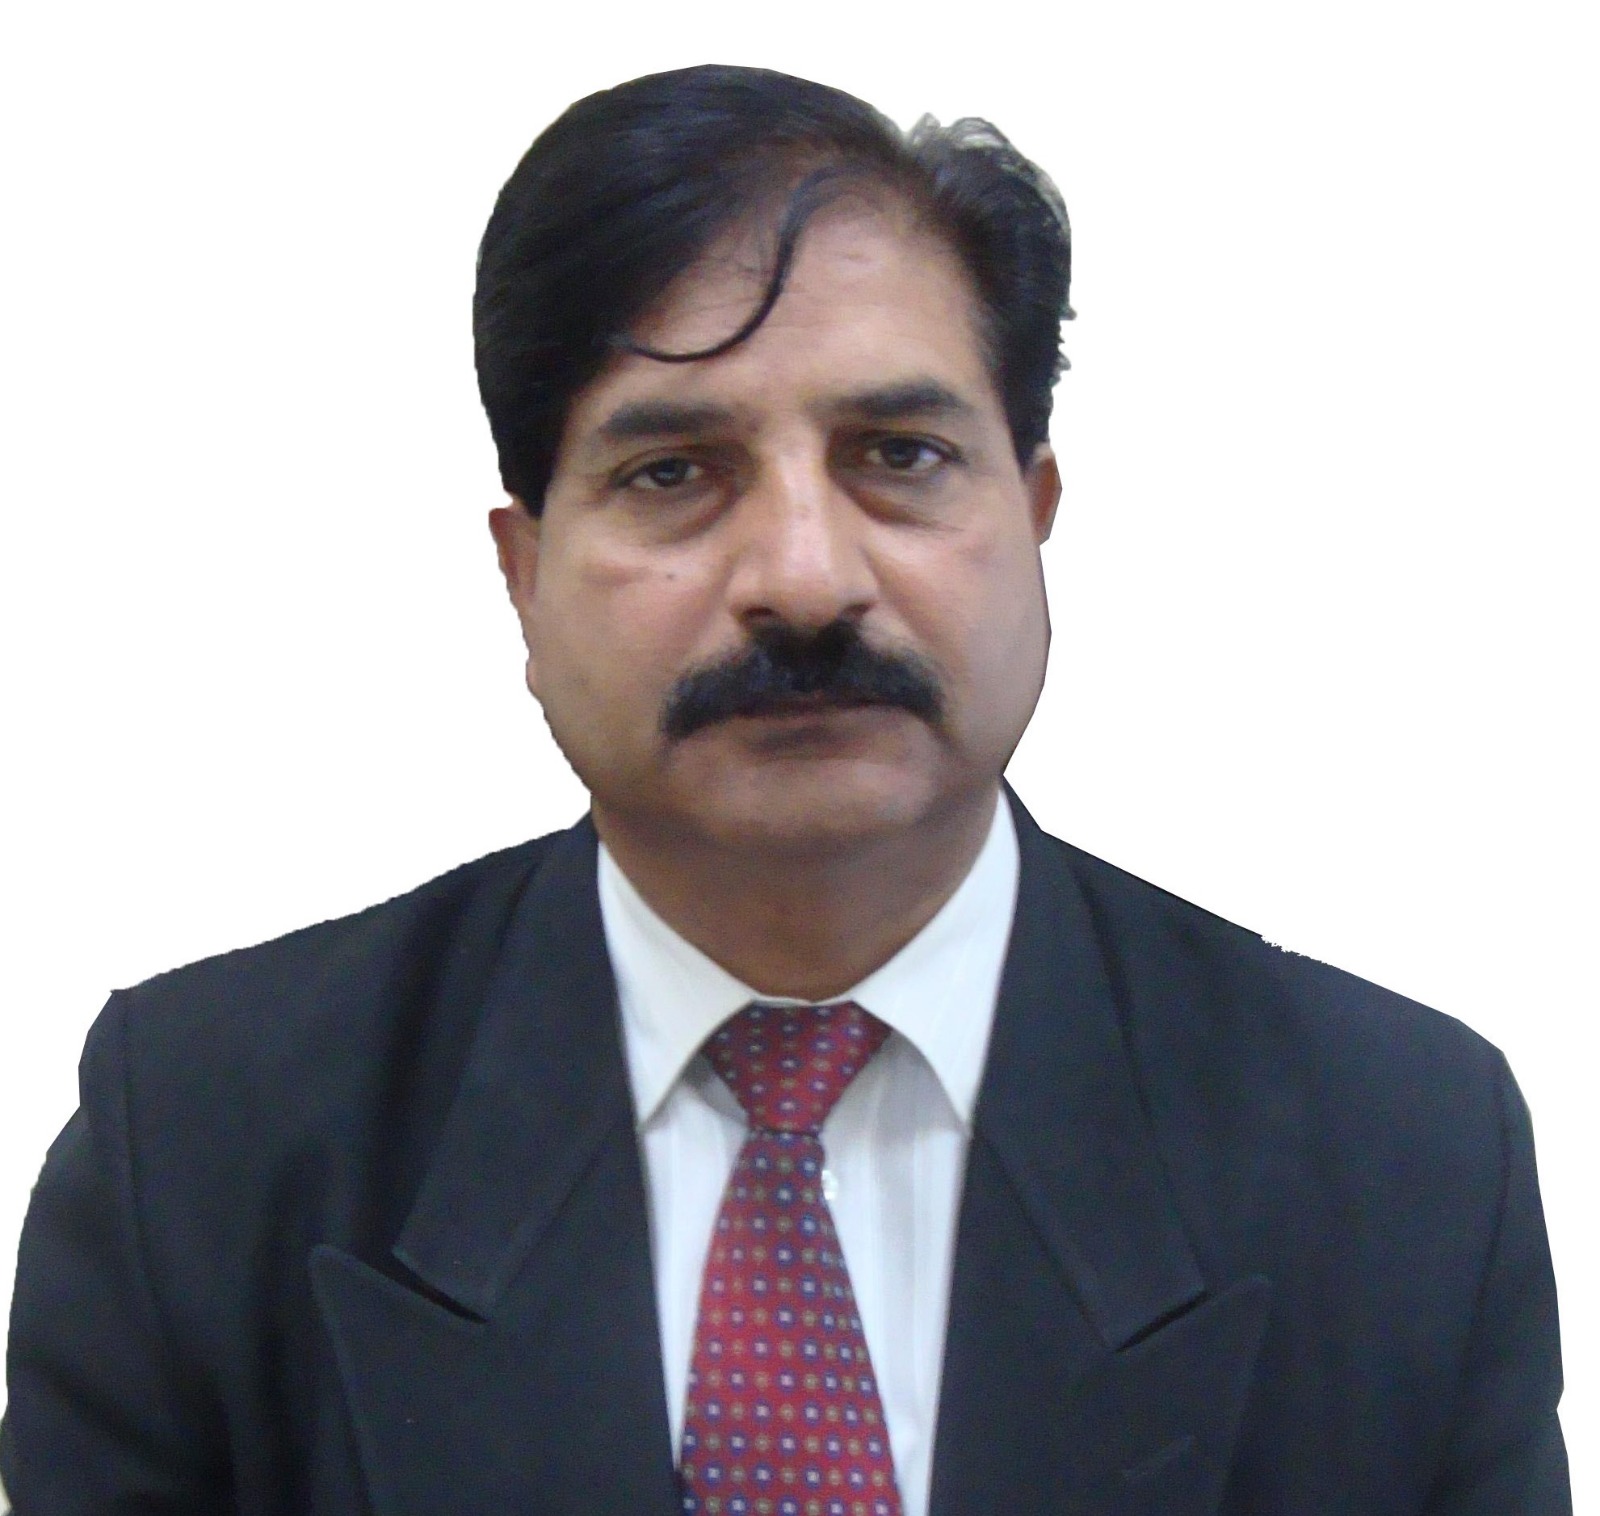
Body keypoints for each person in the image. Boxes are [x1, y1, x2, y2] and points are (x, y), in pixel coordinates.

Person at [0, 62, 1569, 1516]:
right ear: (524, 575)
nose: (807, 581)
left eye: (900, 455)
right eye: (673, 472)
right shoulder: (197, 1148)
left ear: (1035, 520)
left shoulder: (1407, 1157)